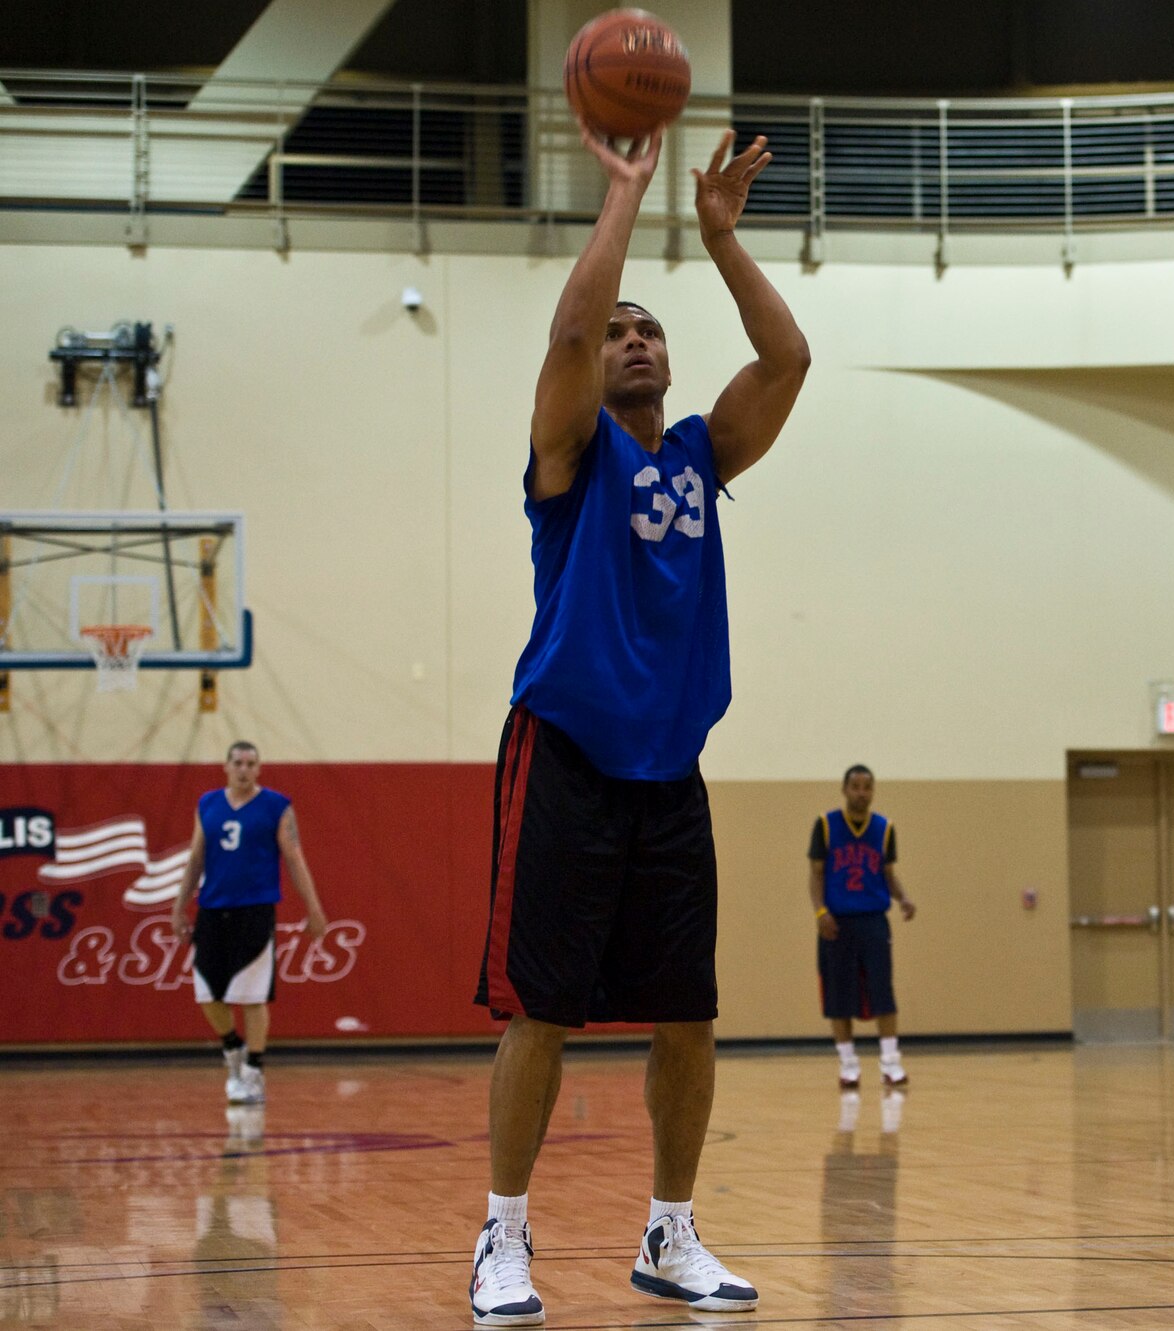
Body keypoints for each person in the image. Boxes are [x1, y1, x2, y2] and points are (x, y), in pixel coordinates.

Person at [467, 117, 809, 1329]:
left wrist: (719, 240)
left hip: (671, 768)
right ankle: (503, 1234)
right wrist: (623, 193)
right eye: (618, 331)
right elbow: (568, 335)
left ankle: (670, 1231)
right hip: (564, 750)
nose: (629, 338)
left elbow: (787, 358)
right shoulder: (568, 455)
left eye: (646, 328)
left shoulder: (703, 453)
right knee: (542, 1009)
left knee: (688, 1012)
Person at [169, 741, 329, 1108]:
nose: (244, 769)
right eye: (238, 762)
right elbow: (196, 858)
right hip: (212, 910)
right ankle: (233, 1048)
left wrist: (314, 908)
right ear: (226, 766)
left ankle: (254, 1070)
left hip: (254, 911)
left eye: (251, 763)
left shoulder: (276, 806)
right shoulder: (208, 804)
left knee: (253, 996)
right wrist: (178, 908)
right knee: (207, 994)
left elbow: (295, 858)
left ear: (259, 769)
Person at [809, 765, 916, 1088]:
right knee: (838, 996)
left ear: (873, 791)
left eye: (867, 786)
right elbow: (816, 874)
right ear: (845, 789)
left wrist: (903, 898)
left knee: (882, 991)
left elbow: (888, 874)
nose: (861, 792)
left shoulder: (884, 828)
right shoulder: (826, 825)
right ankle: (848, 1065)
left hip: (873, 921)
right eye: (855, 786)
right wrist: (820, 912)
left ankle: (891, 1062)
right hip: (836, 922)